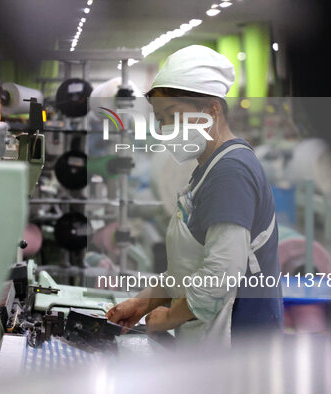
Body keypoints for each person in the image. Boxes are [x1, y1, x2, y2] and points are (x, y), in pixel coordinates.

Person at [106, 45, 283, 346]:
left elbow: (220, 274)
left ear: (212, 109)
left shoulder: (231, 172)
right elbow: (190, 271)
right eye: (160, 118)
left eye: (172, 114)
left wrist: (169, 316)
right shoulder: (209, 169)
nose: (164, 128)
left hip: (238, 344)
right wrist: (143, 303)